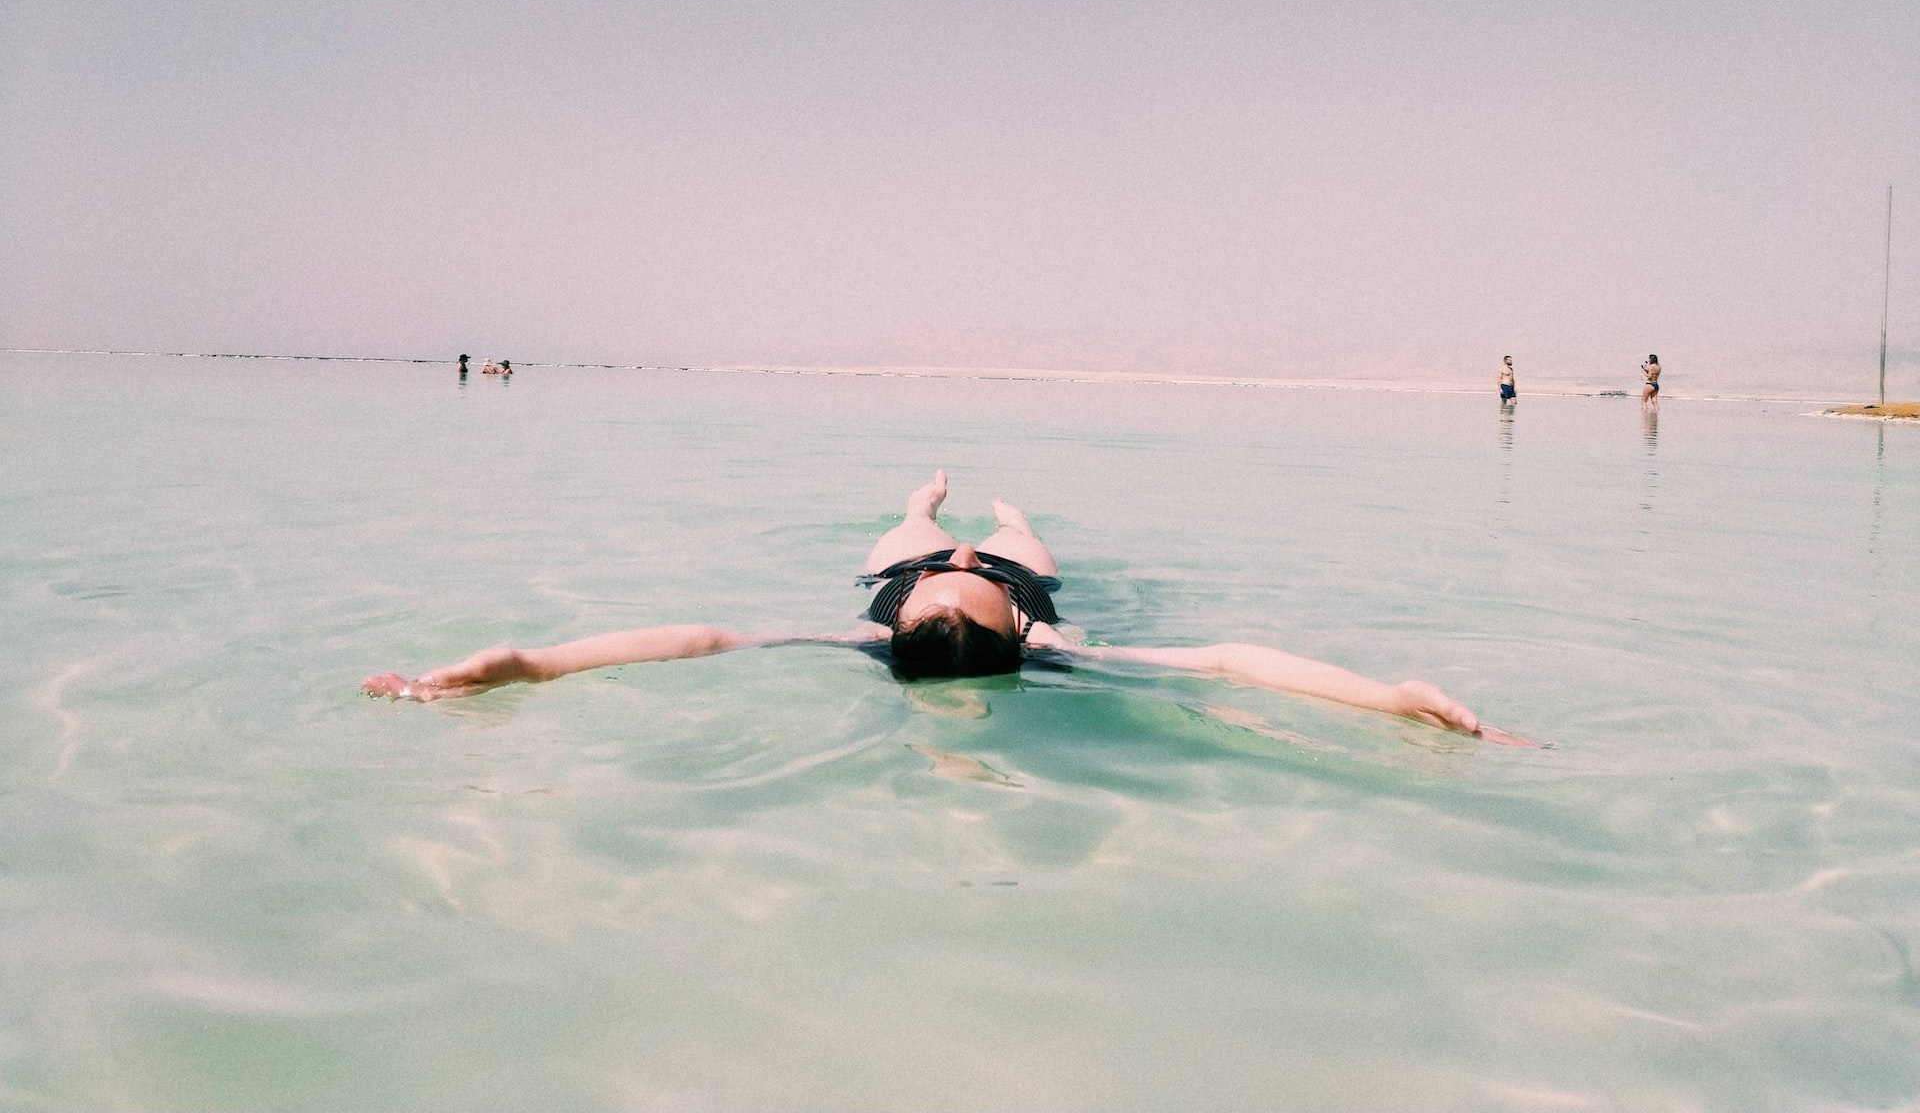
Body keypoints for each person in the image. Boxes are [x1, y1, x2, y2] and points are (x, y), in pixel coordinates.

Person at [364, 472, 1528, 744]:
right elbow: (1229, 660)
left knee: (904, 522)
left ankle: (919, 494)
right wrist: (1391, 699)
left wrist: (532, 662)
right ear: (1016, 622)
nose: (957, 564)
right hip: (1023, 591)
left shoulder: (890, 619)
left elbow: (699, 638)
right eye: (956, 571)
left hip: (906, 584)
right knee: (1025, 532)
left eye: (950, 571)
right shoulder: (1044, 625)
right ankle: (979, 499)